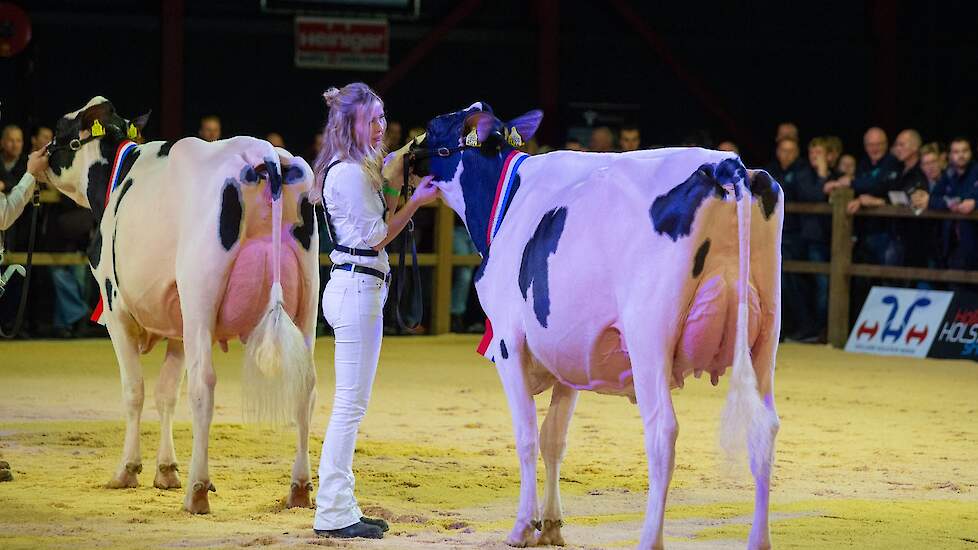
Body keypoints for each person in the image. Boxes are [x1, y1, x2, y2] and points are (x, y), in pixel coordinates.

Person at [312, 82, 438, 540]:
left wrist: (400, 184)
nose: (381, 125)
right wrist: (417, 204)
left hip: (359, 285)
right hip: (357, 285)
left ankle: (341, 505)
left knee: (351, 405)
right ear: (352, 123)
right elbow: (376, 236)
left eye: (383, 116)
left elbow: (381, 208)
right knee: (349, 406)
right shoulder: (347, 172)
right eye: (373, 119)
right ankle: (332, 511)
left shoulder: (352, 166)